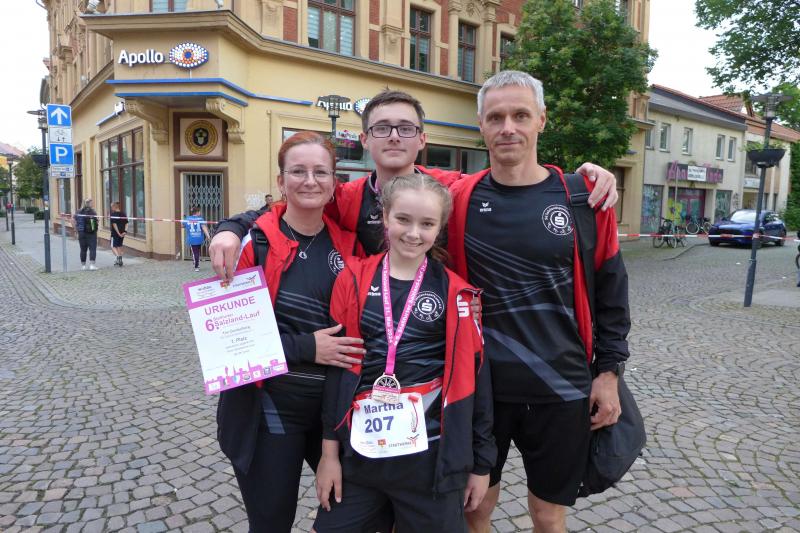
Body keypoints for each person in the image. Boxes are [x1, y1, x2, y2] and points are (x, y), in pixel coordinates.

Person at [444, 70, 631, 533]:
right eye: (496, 117)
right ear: (481, 125)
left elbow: (612, 293)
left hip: (561, 386)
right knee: (473, 509)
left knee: (548, 515)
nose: (508, 127)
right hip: (482, 390)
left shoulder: (582, 197)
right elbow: (381, 185)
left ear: (541, 120)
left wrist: (608, 374)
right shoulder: (458, 197)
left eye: (520, 115)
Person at [207, 89, 620, 282]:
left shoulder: (455, 189)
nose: (393, 137)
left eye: (405, 128)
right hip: (367, 325)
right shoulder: (345, 197)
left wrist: (578, 176)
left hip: (436, 327)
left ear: (422, 139)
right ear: (365, 139)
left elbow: (514, 180)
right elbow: (285, 208)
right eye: (381, 128)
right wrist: (231, 228)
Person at [314, 173, 495, 532]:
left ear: (440, 228)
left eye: (426, 224)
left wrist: (481, 464)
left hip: (430, 460)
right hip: (361, 456)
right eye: (403, 219)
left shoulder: (456, 293)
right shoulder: (353, 279)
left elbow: (476, 380)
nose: (413, 233)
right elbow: (338, 372)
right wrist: (329, 454)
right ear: (385, 217)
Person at [216, 131, 367, 533]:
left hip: (333, 412)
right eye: (298, 171)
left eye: (321, 172)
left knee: (353, 518)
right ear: (281, 181)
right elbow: (228, 346)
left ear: (334, 183)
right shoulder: (252, 244)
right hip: (269, 410)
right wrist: (306, 347)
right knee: (271, 523)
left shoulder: (351, 247)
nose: (310, 180)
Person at [183, 206, 211, 272]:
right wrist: (208, 236)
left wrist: (184, 219)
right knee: (197, 251)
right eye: (199, 211)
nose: (200, 212)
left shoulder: (187, 218)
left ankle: (196, 266)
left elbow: (182, 226)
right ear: (197, 212)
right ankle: (195, 263)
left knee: (195, 252)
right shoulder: (200, 219)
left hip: (192, 238)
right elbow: (204, 228)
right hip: (199, 238)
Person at [74, 198, 98, 271]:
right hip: (91, 233)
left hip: (81, 233)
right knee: (92, 248)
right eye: (91, 203)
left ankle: (83, 266)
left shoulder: (78, 212)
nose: (92, 204)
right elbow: (94, 223)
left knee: (83, 249)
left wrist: (76, 229)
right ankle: (92, 265)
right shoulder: (92, 212)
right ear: (89, 203)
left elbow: (73, 220)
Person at [109, 201, 128, 267]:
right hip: (122, 233)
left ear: (114, 207)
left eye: (111, 207)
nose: (111, 208)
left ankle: (118, 257)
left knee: (112, 246)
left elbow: (114, 225)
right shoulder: (123, 214)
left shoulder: (113, 214)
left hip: (115, 233)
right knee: (119, 246)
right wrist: (125, 231)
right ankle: (120, 261)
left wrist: (118, 233)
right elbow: (126, 223)